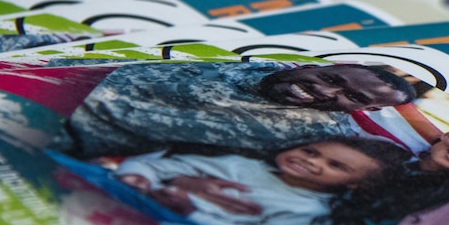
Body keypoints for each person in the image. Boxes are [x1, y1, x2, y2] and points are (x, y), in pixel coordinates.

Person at [56, 60, 416, 158]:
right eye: (332, 78)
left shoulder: (307, 129)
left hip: (62, 125)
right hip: (58, 78)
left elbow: (141, 121)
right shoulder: (261, 65)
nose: (323, 90)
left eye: (352, 98)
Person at [115, 135, 415, 225]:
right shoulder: (241, 165)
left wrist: (191, 211)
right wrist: (138, 178)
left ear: (356, 184)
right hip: (132, 197)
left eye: (336, 166)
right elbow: (154, 166)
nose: (312, 161)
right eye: (311, 151)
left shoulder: (309, 211)